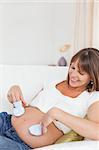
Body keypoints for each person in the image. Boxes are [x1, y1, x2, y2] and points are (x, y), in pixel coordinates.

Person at [0, 48, 99, 150]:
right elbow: (28, 107)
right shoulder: (53, 82)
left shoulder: (91, 97)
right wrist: (14, 91)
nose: (73, 75)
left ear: (92, 77)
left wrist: (57, 114)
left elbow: (97, 132)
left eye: (81, 73)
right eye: (72, 68)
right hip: (6, 121)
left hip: (21, 143)